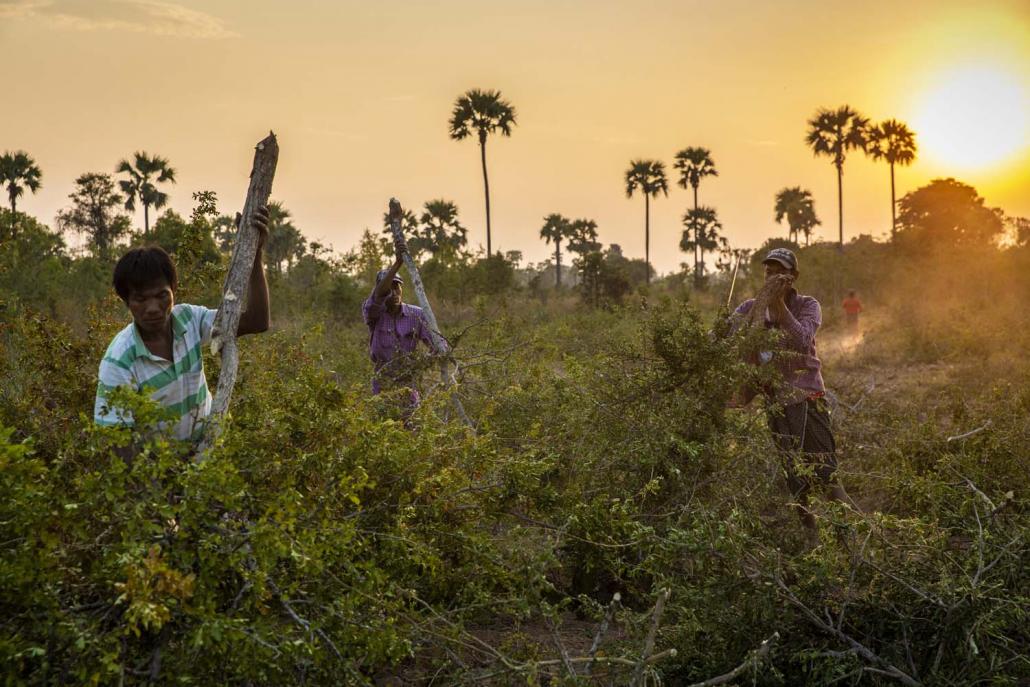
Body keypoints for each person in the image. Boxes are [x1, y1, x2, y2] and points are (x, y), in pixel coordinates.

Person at [94, 207, 270, 442]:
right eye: (141, 299)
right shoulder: (120, 360)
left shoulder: (189, 320)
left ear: (174, 290)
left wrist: (255, 254)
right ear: (126, 301)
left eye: (161, 295)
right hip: (160, 473)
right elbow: (116, 442)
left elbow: (257, 321)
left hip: (209, 460)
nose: (153, 308)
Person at [730, 247, 851, 545]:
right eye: (768, 271)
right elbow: (725, 335)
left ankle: (849, 537)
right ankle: (813, 540)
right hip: (776, 405)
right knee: (793, 476)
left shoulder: (808, 306)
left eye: (779, 271)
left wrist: (779, 305)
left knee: (825, 474)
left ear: (793, 277)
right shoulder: (749, 308)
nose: (772, 276)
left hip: (807, 399)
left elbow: (802, 340)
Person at [361, 233, 436, 407]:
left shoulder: (417, 314)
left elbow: (437, 345)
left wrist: (422, 364)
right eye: (389, 289)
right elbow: (378, 295)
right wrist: (397, 264)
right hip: (382, 384)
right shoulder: (373, 314)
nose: (394, 293)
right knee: (384, 427)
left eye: (397, 288)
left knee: (411, 427)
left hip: (408, 385)